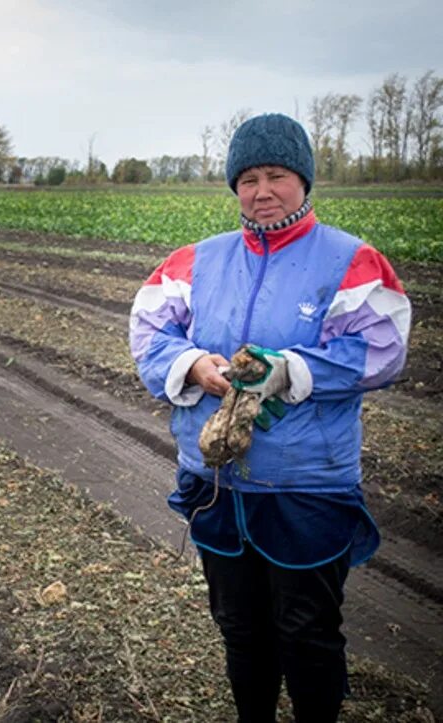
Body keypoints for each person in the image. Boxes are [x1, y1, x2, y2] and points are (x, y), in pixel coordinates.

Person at [129, 113, 410, 722]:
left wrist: (288, 372)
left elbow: (383, 347)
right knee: (240, 626)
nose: (262, 191)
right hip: (219, 482)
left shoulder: (350, 260)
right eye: (248, 178)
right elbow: (149, 332)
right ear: (234, 187)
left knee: (307, 629)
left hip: (307, 483)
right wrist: (194, 363)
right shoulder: (196, 261)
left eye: (276, 175)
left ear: (303, 180)